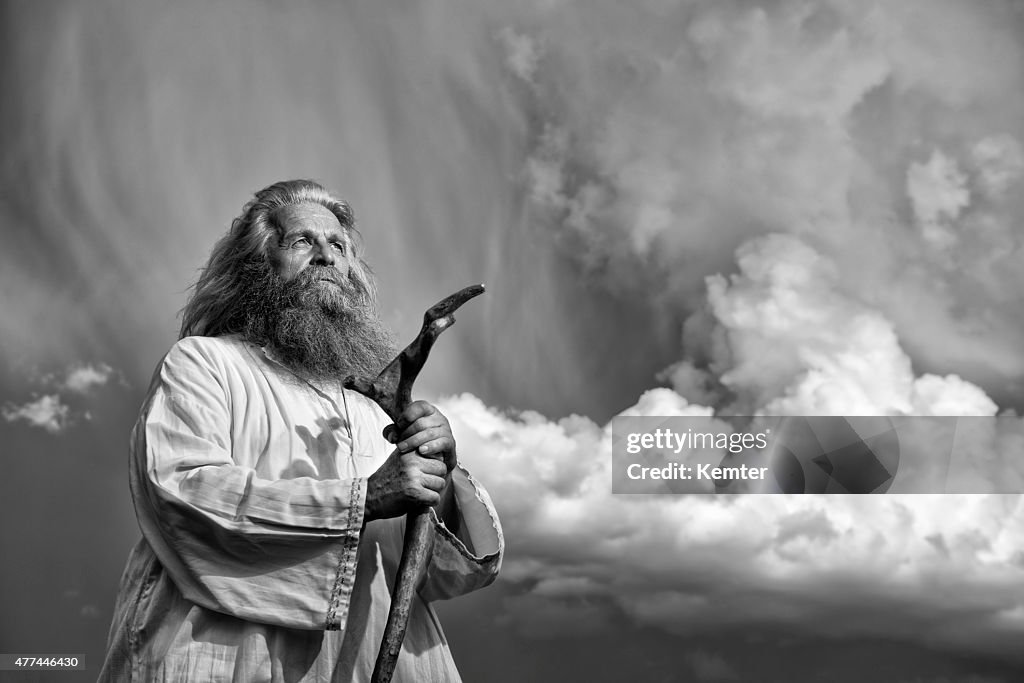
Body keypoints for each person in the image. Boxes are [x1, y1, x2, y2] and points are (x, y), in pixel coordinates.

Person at [98, 179, 503, 682]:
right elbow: (185, 493)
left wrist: (436, 480)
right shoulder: (206, 363)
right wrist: (365, 497)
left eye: (338, 246)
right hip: (225, 657)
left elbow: (435, 576)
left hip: (372, 657)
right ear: (259, 268)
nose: (325, 257)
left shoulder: (374, 408)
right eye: (302, 242)